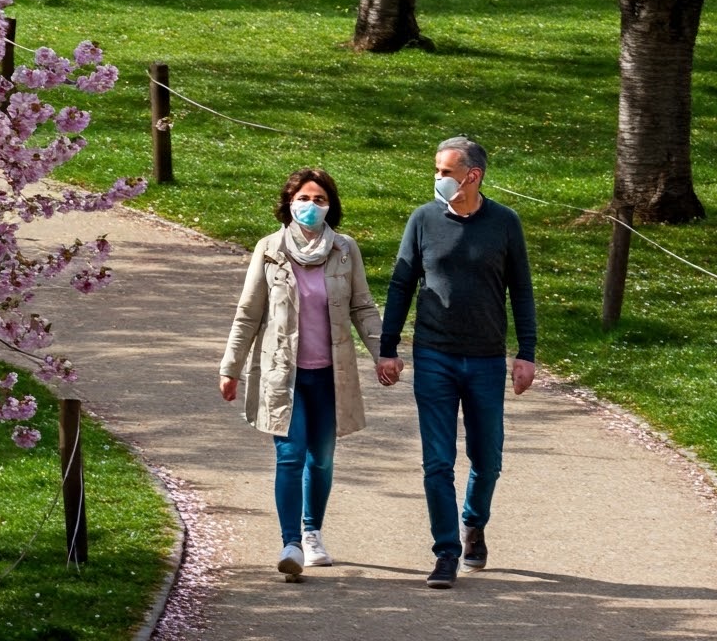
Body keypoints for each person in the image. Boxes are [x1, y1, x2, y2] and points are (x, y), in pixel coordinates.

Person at [377, 135, 537, 588]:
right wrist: (388, 348)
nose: (438, 179)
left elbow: (521, 290)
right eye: (436, 170)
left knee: (488, 461)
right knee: (436, 463)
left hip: (486, 359)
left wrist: (526, 354)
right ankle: (445, 552)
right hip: (434, 356)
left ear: (473, 176)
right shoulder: (423, 220)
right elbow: (401, 285)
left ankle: (474, 523)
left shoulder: (505, 223)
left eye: (445, 172)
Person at [219, 165, 386, 579]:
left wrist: (384, 353)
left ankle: (313, 533)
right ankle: (290, 542)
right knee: (290, 457)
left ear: (331, 206)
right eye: (303, 199)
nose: (311, 206)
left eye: (320, 199)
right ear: (288, 204)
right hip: (283, 375)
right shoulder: (269, 249)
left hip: (330, 375)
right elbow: (248, 314)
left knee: (323, 459)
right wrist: (231, 368)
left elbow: (362, 306)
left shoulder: (345, 250)